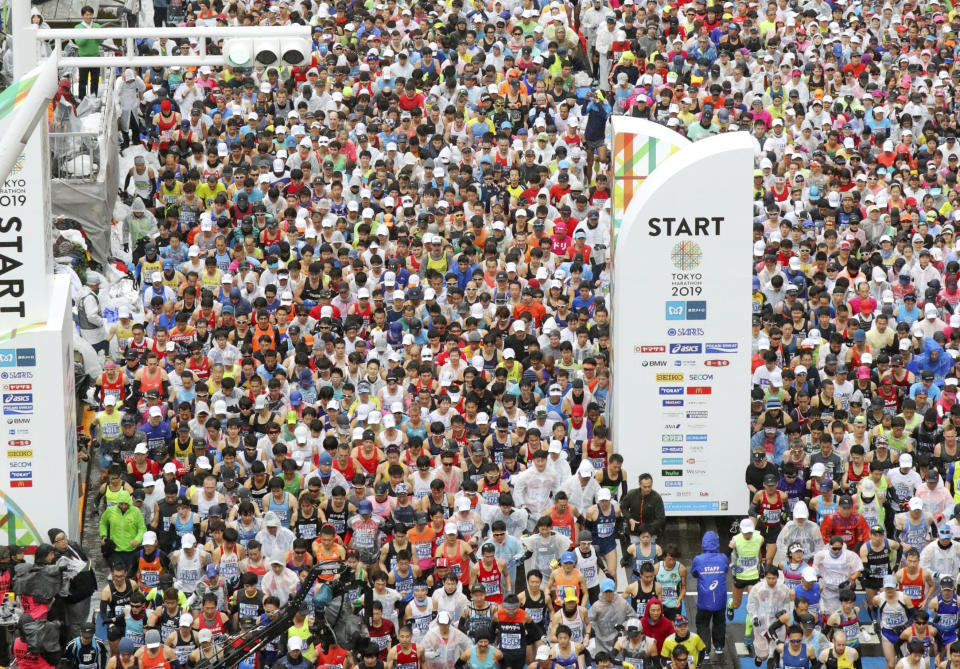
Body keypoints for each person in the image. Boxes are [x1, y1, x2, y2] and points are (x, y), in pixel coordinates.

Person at [690, 530, 727, 659]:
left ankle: (705, 650)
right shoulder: (723, 558)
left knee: (702, 623)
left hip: (704, 599)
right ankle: (719, 647)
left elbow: (694, 573)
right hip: (720, 598)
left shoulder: (698, 559)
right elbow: (726, 570)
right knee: (719, 622)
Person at [78, 272, 109, 355]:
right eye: (97, 285)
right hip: (93, 335)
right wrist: (102, 322)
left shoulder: (82, 292)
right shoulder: (89, 298)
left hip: (86, 332)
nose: (98, 287)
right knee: (97, 354)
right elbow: (91, 316)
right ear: (93, 285)